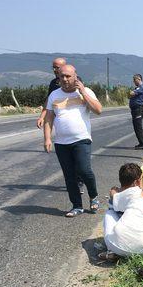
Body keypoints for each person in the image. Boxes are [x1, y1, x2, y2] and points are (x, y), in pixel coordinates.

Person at [43, 65, 102, 217]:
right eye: (62, 76)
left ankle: (93, 196)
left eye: (68, 76)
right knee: (69, 175)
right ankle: (77, 205)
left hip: (81, 139)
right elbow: (49, 118)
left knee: (84, 170)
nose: (64, 79)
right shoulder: (54, 95)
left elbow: (98, 110)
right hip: (61, 143)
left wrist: (82, 92)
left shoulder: (86, 91)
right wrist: (47, 138)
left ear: (75, 76)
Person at [129, 73, 143, 150]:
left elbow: (131, 93)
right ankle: (141, 143)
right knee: (136, 127)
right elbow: (129, 95)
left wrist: (131, 93)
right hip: (134, 110)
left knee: (138, 127)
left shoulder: (142, 88)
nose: (134, 81)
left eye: (134, 80)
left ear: (139, 79)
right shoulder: (137, 88)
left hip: (138, 110)